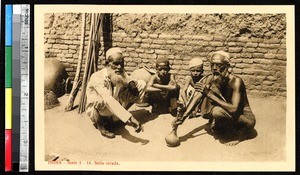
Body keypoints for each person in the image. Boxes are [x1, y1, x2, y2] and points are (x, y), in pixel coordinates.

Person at [173, 51, 256, 146]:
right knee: (206, 103)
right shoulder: (212, 78)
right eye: (212, 65)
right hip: (229, 114)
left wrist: (209, 93)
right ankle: (220, 125)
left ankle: (237, 135)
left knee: (217, 111)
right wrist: (182, 118)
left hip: (244, 119)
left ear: (227, 67)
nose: (215, 68)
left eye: (219, 65)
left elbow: (234, 109)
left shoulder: (236, 81)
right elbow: (197, 98)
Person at [85, 47, 145, 139]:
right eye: (116, 64)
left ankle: (118, 116)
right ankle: (101, 124)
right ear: (107, 64)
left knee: (141, 84)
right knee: (103, 99)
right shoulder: (97, 77)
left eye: (122, 63)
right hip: (98, 109)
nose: (120, 67)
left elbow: (129, 80)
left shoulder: (119, 71)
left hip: (114, 104)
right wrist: (130, 118)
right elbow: (109, 99)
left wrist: (129, 82)